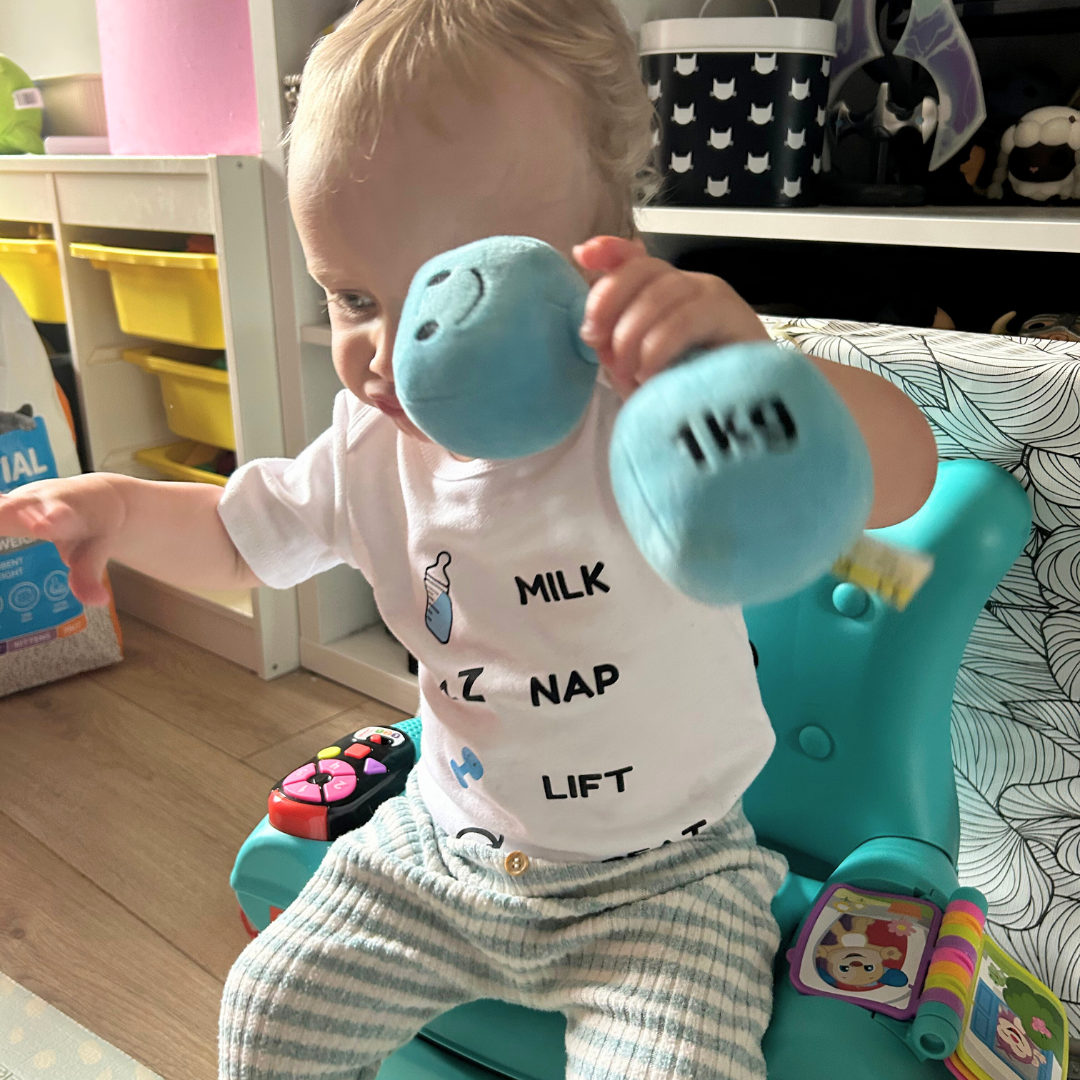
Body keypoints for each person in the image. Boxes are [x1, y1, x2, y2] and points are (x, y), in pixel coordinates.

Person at [0, 1, 938, 1076]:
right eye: (353, 295)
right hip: (441, 849)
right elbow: (234, 537)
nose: (390, 353)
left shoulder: (654, 415)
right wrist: (117, 511)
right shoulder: (368, 445)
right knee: (266, 1011)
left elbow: (898, 482)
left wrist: (756, 376)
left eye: (455, 290)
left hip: (667, 882)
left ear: (604, 257)